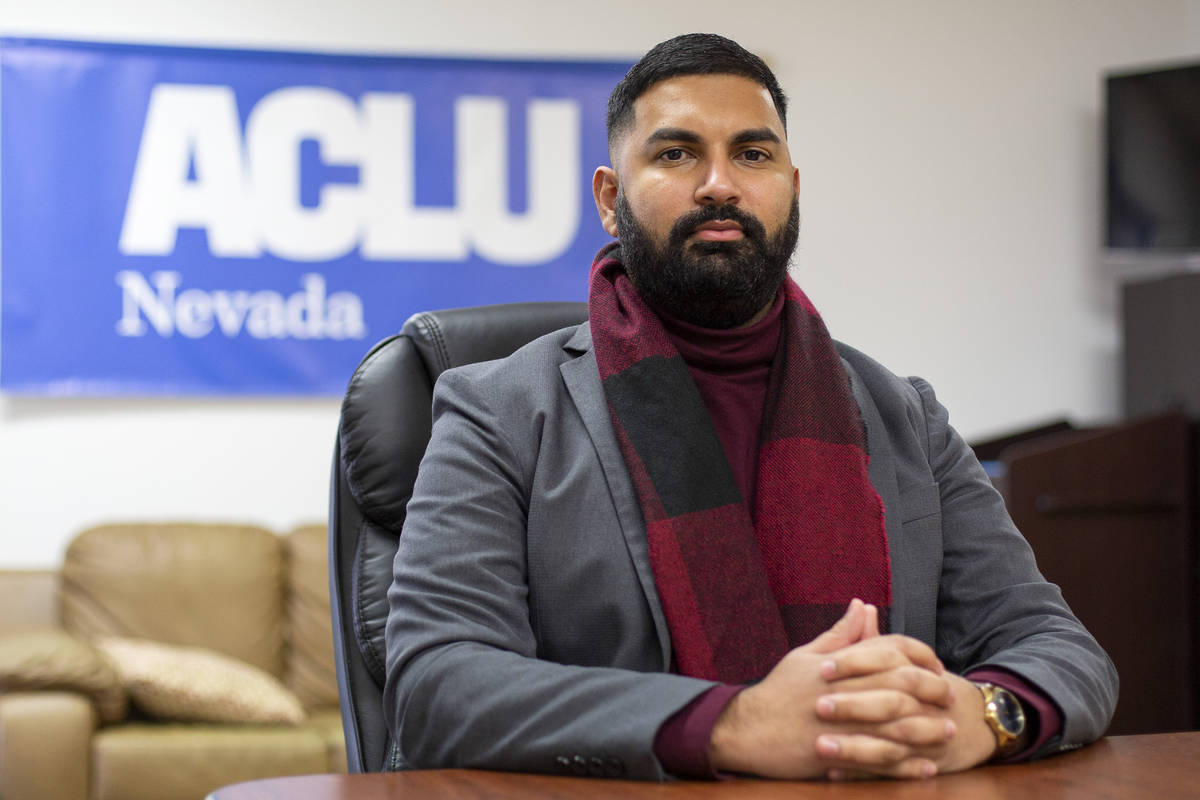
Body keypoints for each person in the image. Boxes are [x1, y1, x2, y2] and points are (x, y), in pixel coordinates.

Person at [383, 32, 1117, 782]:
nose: (719, 185)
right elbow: (439, 684)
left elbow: (1058, 648)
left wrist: (985, 713)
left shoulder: (903, 416)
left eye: (752, 155)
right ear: (611, 199)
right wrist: (730, 725)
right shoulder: (496, 410)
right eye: (675, 154)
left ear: (792, 186)